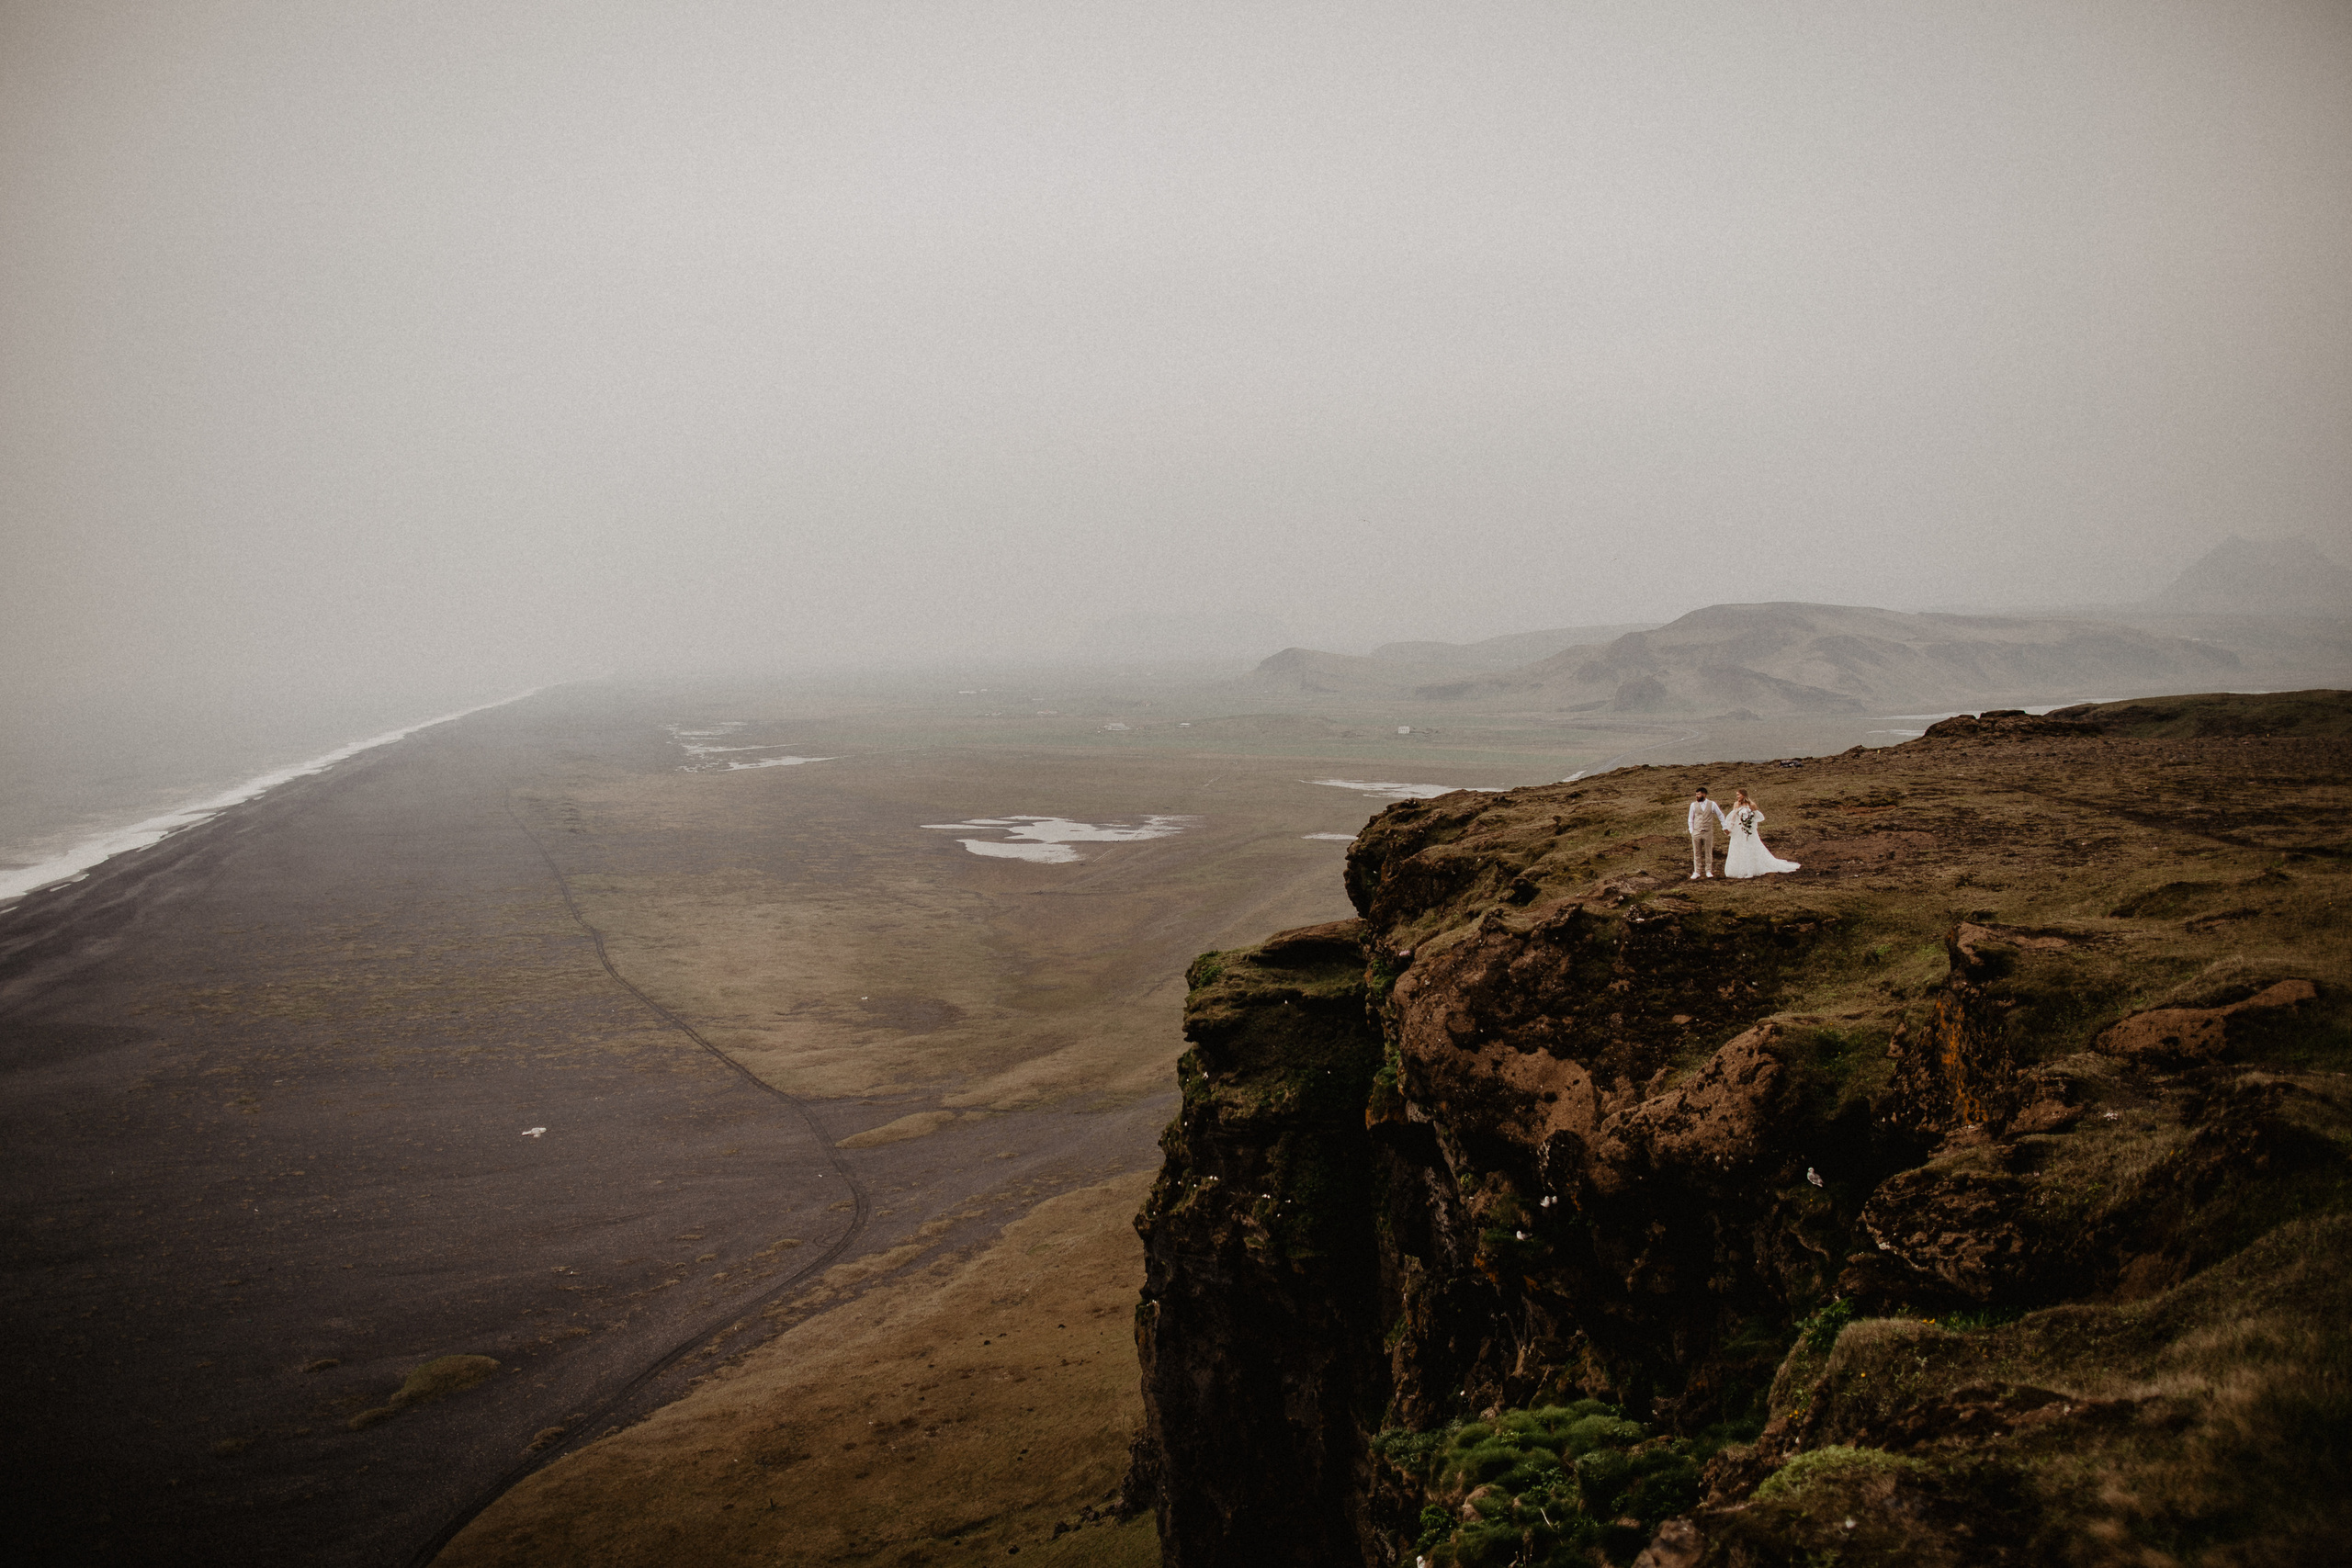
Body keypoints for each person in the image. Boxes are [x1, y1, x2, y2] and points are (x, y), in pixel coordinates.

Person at [1723, 788, 1801, 878]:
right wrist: (1730, 828)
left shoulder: (1751, 805)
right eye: (1737, 795)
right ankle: (1739, 869)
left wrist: (1749, 823)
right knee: (1739, 848)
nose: (1737, 797)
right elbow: (1733, 817)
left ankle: (1752, 868)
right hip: (1739, 830)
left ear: (1743, 795)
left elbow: (1757, 817)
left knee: (1750, 847)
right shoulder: (1736, 804)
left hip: (1749, 830)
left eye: (1738, 795)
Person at [1686, 787, 1725, 879]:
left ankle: (1708, 870)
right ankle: (1697, 871)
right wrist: (1692, 831)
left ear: (1704, 794)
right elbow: (1690, 819)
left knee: (1708, 852)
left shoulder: (1712, 804)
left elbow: (1720, 815)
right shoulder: (1693, 805)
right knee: (1697, 852)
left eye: (1698, 794)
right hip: (1697, 832)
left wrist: (1724, 826)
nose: (1697, 796)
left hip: (1708, 832)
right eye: (1696, 795)